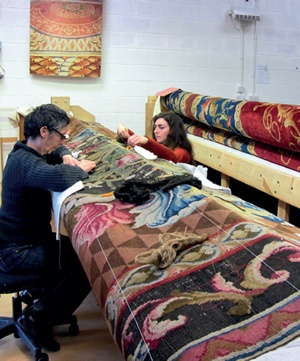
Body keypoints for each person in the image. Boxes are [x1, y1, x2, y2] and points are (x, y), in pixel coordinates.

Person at [0, 104, 96, 352]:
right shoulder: (25, 163)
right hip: (16, 253)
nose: (63, 139)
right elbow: (61, 177)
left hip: (23, 242)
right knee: (86, 267)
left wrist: (63, 152)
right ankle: (37, 318)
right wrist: (80, 169)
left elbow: (56, 157)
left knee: (73, 251)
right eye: (61, 135)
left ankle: (40, 300)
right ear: (44, 131)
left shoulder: (27, 152)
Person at [117, 111, 196, 165]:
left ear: (172, 130)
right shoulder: (160, 145)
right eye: (155, 127)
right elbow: (136, 141)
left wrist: (147, 142)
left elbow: (173, 158)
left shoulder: (183, 153)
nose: (155, 131)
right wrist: (122, 128)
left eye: (161, 127)